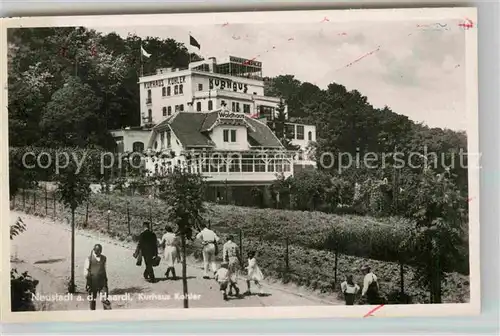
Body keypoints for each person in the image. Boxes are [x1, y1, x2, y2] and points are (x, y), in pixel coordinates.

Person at [84, 244, 109, 310]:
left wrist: (105, 282)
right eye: (97, 251)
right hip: (92, 283)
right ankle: (93, 315)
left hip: (102, 283)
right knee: (92, 301)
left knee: (105, 300)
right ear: (94, 250)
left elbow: (105, 269)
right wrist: (88, 283)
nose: (98, 252)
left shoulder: (104, 258)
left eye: (100, 251)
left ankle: (108, 315)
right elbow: (86, 273)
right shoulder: (88, 259)